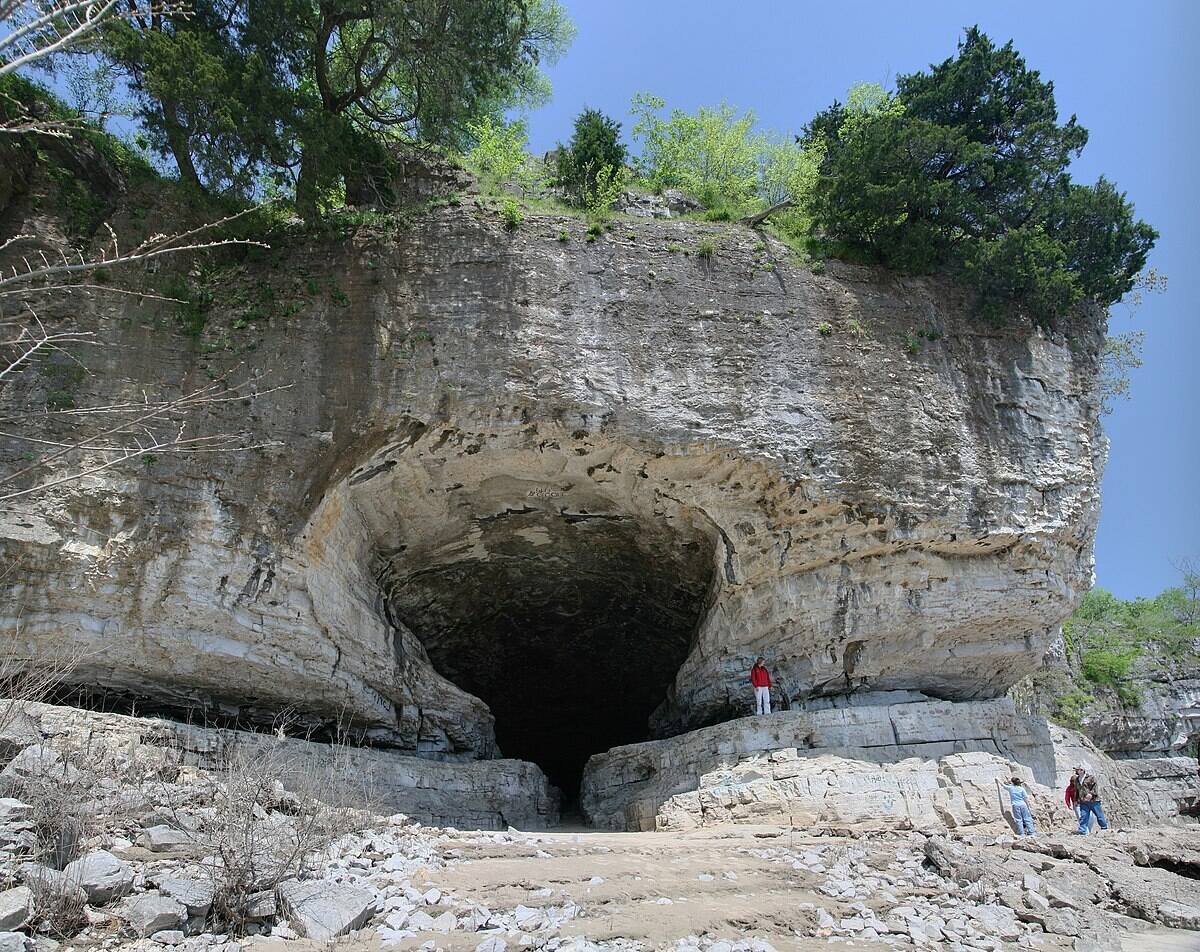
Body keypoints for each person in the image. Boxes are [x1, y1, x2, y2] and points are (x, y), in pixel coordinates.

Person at [1070, 765, 1109, 834]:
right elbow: (1077, 791)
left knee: (1099, 815)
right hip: (1083, 801)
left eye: (1078, 770)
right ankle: (1082, 830)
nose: (1076, 771)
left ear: (1082, 770)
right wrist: (1076, 800)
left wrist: (1091, 794)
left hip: (1094, 801)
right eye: (1076, 770)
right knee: (1084, 816)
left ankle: (1104, 828)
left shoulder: (1091, 778)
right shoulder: (1076, 780)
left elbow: (1095, 787)